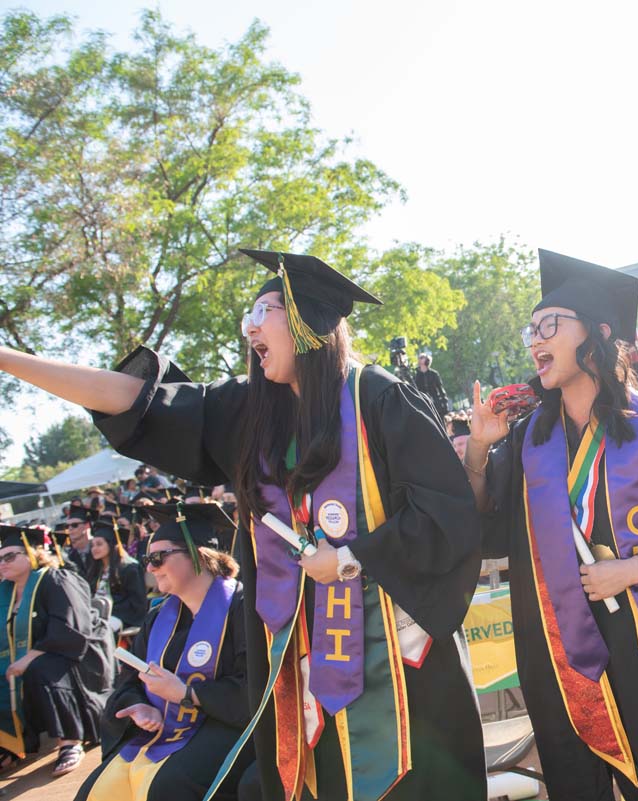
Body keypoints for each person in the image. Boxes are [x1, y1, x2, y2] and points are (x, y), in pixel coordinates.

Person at [0, 248, 485, 801]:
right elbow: (140, 402)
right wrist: (8, 359)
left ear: (309, 321)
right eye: (247, 317)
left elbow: (444, 514)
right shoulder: (254, 411)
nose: (250, 327)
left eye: (264, 311)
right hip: (301, 669)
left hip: (398, 658)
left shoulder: (378, 397)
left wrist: (352, 559)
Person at [466, 250, 638, 800]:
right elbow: (486, 527)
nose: (535, 341)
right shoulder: (527, 440)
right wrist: (477, 447)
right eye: (531, 330)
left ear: (598, 333)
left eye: (549, 325)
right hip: (557, 648)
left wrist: (637, 568)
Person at [75, 502, 251, 801]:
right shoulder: (158, 617)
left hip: (229, 724)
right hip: (164, 726)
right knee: (96, 790)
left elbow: (257, 688)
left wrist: (187, 693)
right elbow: (130, 680)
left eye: (158, 557)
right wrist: (140, 705)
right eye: (147, 559)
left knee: (166, 787)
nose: (149, 567)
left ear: (199, 555)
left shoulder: (244, 608)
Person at [0, 524, 114, 777]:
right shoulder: (6, 592)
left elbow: (69, 630)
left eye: (9, 557)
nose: (2, 563)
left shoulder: (56, 579)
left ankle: (70, 741)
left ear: (33, 553)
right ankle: (11, 745)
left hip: (75, 656)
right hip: (38, 656)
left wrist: (29, 657)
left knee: (40, 669)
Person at [87, 519, 148, 637]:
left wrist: (108, 610)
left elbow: (137, 603)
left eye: (99, 544)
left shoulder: (129, 568)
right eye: (92, 545)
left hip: (124, 616)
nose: (94, 548)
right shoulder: (97, 569)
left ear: (111, 544)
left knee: (97, 631)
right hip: (99, 613)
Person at [413, 351, 450, 419]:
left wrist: (445, 403)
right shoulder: (415, 375)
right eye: (419, 358)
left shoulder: (434, 374)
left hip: (436, 403)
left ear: (427, 360)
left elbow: (440, 389)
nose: (420, 359)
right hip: (423, 403)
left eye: (422, 357)